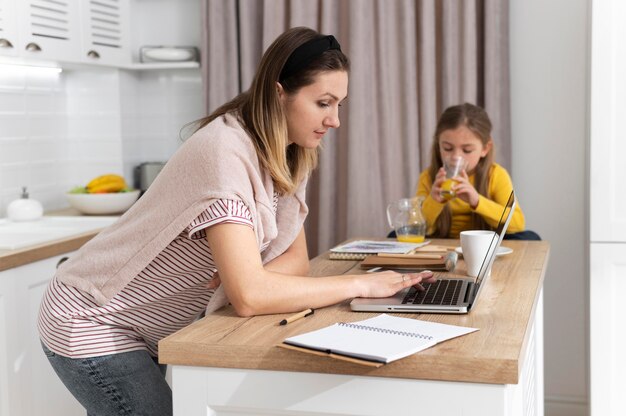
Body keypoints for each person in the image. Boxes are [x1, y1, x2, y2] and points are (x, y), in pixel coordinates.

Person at [38, 27, 436, 416]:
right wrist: (362, 283)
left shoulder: (288, 153)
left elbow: (294, 262)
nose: (335, 120)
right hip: (93, 320)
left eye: (339, 105)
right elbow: (250, 297)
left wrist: (248, 277)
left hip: (147, 328)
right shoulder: (224, 154)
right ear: (279, 93)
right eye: (323, 103)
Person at [416, 102, 539, 240]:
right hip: (442, 243)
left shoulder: (495, 175)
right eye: (447, 148)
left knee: (530, 237)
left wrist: (477, 201)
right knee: (396, 234)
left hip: (483, 245)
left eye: (467, 150)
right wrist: (434, 201)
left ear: (485, 149)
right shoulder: (429, 177)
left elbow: (517, 223)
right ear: (438, 145)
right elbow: (419, 228)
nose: (456, 157)